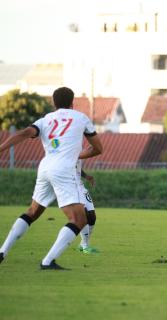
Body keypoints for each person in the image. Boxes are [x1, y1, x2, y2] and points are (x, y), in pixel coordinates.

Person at [0, 87, 103, 269]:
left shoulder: (45, 120)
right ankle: (48, 262)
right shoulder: (81, 118)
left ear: (54, 103)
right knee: (79, 220)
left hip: (45, 167)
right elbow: (98, 148)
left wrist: (1, 148)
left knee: (32, 212)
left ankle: (2, 251)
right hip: (64, 170)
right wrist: (77, 155)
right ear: (73, 102)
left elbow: (24, 133)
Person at [76, 160, 99, 254]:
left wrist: (86, 176)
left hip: (81, 187)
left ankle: (83, 244)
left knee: (92, 216)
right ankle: (85, 246)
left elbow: (76, 168)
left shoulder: (78, 148)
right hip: (71, 187)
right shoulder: (66, 149)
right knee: (83, 215)